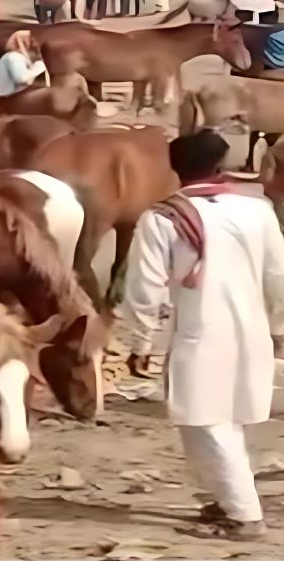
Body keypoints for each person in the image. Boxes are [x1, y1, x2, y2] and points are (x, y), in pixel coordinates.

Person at [122, 129, 284, 541]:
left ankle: (245, 517)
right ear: (221, 165)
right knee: (228, 421)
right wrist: (279, 329)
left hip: (201, 332)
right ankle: (226, 498)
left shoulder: (162, 218)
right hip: (252, 331)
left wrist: (139, 342)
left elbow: (144, 289)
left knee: (206, 423)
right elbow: (278, 276)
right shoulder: (258, 210)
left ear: (174, 168)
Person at [0, 30, 46, 96]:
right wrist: (39, 67)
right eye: (31, 41)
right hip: (4, 100)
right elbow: (21, 78)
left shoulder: (19, 57)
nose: (35, 45)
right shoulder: (13, 57)